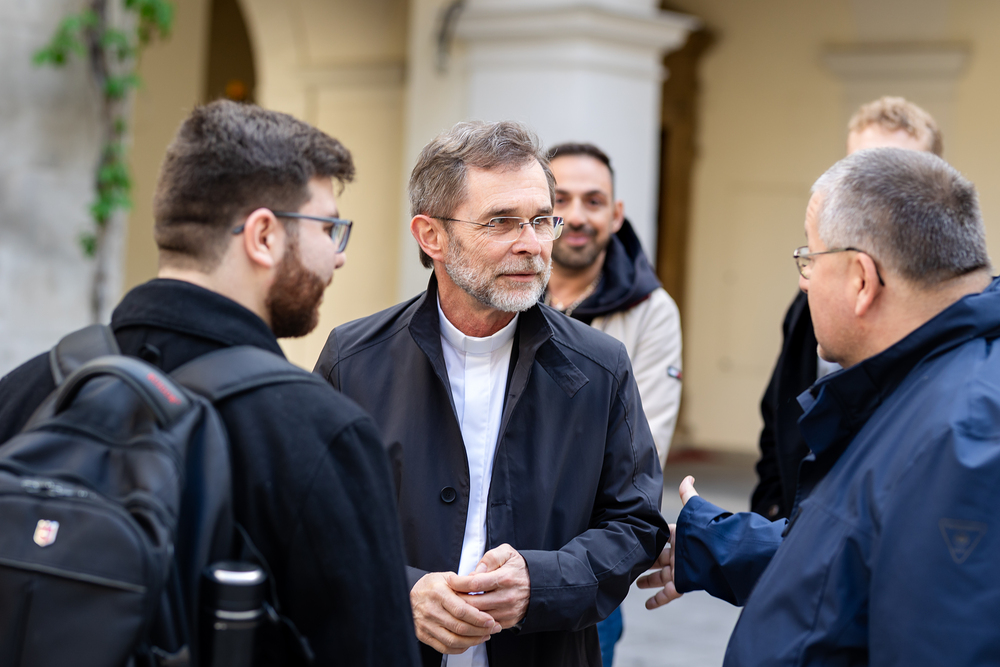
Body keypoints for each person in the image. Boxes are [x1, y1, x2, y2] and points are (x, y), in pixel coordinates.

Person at [0, 100, 420, 666]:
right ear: (264, 235)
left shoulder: (27, 392)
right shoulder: (321, 432)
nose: (336, 257)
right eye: (329, 228)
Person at [314, 120, 668, 667]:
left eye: (541, 220)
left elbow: (635, 524)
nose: (531, 245)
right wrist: (401, 591)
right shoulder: (353, 360)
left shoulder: (600, 366)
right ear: (431, 235)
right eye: (501, 222)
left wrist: (540, 583)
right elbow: (310, 523)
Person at [640, 147, 1000, 665]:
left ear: (861, 280)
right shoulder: (922, 386)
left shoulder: (963, 437)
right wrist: (720, 545)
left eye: (809, 258)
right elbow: (859, 557)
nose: (803, 280)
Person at [751, 96, 943, 520]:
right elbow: (778, 419)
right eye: (858, 173)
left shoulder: (950, 325)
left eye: (895, 177)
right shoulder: (807, 301)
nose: (872, 196)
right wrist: (771, 518)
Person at [545, 142, 681, 666]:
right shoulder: (508, 288)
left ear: (616, 214)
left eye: (594, 201)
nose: (577, 216)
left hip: (587, 558)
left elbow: (640, 449)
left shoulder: (652, 311)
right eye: (561, 200)